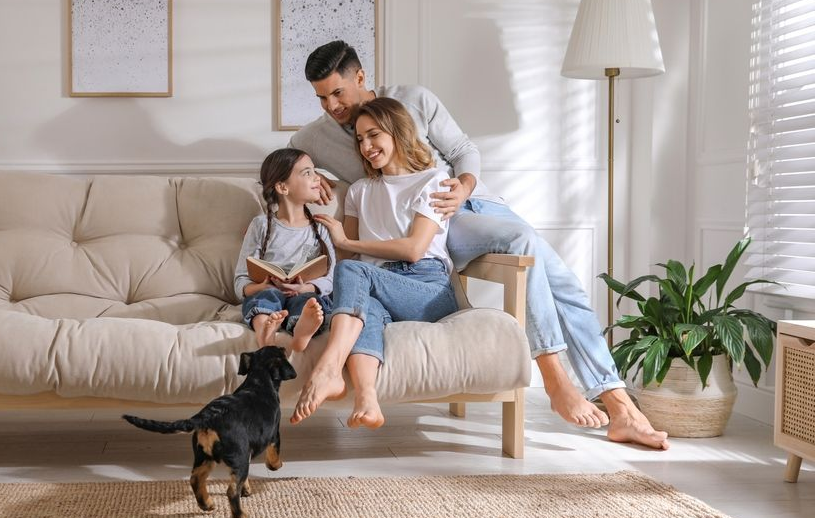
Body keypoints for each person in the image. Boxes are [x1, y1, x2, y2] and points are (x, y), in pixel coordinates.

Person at [288, 40, 669, 450]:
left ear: (360, 77)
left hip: (465, 207)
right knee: (525, 252)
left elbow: (463, 150)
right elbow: (291, 159)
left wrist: (462, 186)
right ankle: (584, 393)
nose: (330, 105)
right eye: (321, 97)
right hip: (422, 228)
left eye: (337, 93)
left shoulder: (414, 99)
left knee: (561, 282)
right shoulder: (318, 137)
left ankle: (608, 400)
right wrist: (310, 174)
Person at [291, 97, 459, 429]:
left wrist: (345, 242)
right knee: (361, 303)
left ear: (397, 131)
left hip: (426, 288)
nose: (366, 146)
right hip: (377, 284)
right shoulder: (360, 191)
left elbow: (413, 249)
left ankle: (328, 368)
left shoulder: (434, 181)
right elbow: (349, 259)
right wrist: (303, 277)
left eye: (374, 135)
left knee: (354, 273)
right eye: (359, 139)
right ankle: (367, 400)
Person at [234, 148, 335, 353]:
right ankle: (266, 332)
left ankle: (301, 333)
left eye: (314, 171)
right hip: (268, 291)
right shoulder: (260, 226)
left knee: (310, 304)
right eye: (307, 173)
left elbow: (331, 277)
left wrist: (306, 288)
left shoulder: (320, 229)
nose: (317, 178)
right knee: (266, 297)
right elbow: (240, 280)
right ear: (282, 187)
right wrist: (260, 286)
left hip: (303, 292)